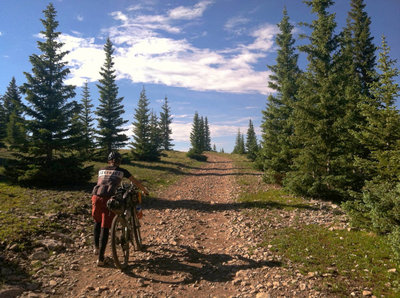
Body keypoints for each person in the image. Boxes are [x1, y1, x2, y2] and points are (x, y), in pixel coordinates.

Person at [91, 151, 149, 266]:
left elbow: (104, 181)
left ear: (108, 161)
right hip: (109, 198)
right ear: (119, 161)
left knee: (97, 222)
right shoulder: (122, 171)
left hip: (95, 197)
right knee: (105, 227)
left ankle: (96, 248)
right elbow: (136, 182)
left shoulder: (101, 169)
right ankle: (101, 259)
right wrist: (144, 190)